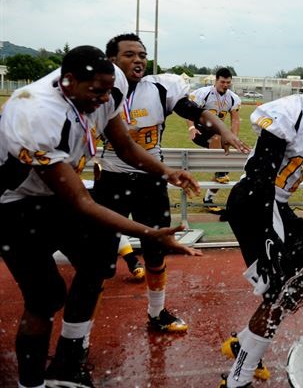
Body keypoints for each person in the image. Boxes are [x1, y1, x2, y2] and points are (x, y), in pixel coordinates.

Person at [0, 46, 202, 388]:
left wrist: (168, 173)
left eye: (110, 92)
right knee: (46, 296)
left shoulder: (106, 86)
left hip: (53, 194)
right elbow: (80, 203)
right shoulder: (34, 113)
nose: (104, 100)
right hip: (13, 203)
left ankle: (68, 360)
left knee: (97, 259)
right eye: (96, 92)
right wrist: (148, 233)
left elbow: (124, 145)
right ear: (67, 81)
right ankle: (30, 384)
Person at [93, 33, 251, 334]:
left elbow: (192, 111)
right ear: (111, 60)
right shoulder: (100, 91)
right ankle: (81, 336)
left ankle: (157, 312)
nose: (138, 60)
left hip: (150, 183)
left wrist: (224, 131)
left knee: (156, 251)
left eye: (141, 54)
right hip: (111, 180)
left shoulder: (159, 87)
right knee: (98, 261)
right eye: (129, 55)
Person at [218, 59, 303, 388]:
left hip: (276, 205)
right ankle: (240, 376)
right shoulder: (289, 111)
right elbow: (261, 176)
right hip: (253, 202)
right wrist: (270, 232)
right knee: (280, 288)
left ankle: (243, 343)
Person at [187, 67, 242, 209]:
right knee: (217, 139)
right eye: (222, 82)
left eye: (228, 82)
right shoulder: (202, 93)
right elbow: (189, 112)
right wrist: (191, 128)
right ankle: (219, 171)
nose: (225, 85)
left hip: (218, 131)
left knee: (226, 163)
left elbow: (235, 120)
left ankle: (209, 198)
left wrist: (233, 138)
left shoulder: (233, 98)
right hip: (200, 130)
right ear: (216, 80)